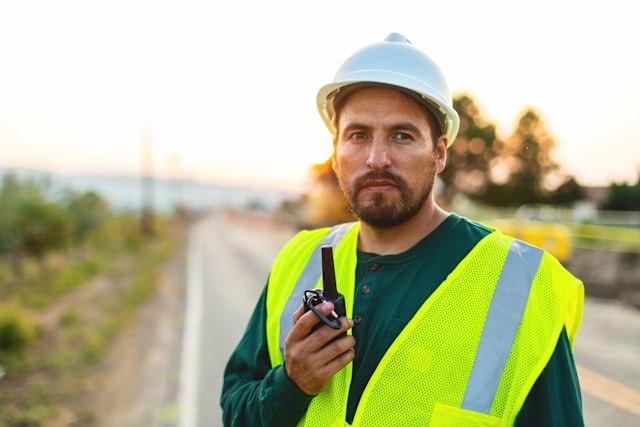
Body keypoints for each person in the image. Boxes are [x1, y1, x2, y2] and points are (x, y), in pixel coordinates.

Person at [221, 33, 584, 426]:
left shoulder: (520, 286)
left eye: (402, 135)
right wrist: (290, 384)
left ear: (439, 152)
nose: (377, 158)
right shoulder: (298, 259)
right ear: (336, 152)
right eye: (358, 135)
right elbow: (237, 410)